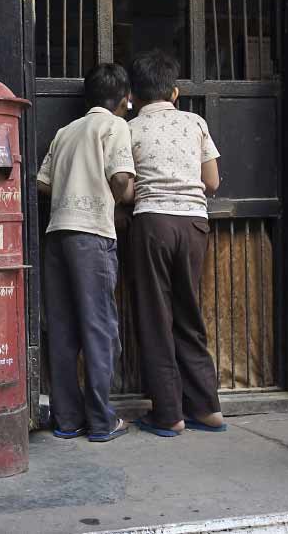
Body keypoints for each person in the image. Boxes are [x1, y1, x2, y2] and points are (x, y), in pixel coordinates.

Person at [126, 49, 225, 437]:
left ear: (133, 95)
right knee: (189, 315)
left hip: (153, 223)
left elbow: (127, 189)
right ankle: (207, 408)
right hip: (194, 225)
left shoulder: (129, 129)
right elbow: (212, 182)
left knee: (155, 318)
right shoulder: (195, 123)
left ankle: (168, 414)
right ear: (176, 92)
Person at [37, 63, 136, 442]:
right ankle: (101, 420)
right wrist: (125, 196)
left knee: (62, 329)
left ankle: (67, 419)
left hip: (56, 234)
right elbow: (120, 179)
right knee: (99, 327)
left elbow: (42, 184)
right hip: (92, 234)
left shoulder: (65, 132)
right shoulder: (115, 126)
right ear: (123, 99)